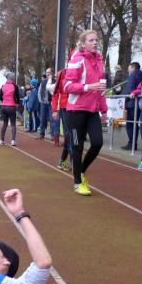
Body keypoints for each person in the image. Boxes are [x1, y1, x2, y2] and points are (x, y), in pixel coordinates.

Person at [63, 29, 108, 196]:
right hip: (76, 111)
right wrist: (88, 87)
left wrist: (104, 110)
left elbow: (101, 88)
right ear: (83, 44)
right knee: (77, 146)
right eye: (91, 40)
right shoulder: (77, 60)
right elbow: (67, 86)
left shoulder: (100, 61)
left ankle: (81, 170)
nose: (95, 42)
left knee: (97, 143)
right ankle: (77, 183)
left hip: (92, 110)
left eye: (96, 40)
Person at [50, 66, 72, 169]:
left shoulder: (81, 71)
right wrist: (54, 110)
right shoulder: (62, 73)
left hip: (78, 107)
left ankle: (63, 160)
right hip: (65, 107)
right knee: (69, 134)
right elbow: (55, 94)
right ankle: (72, 161)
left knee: (74, 135)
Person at [121, 62, 142, 150]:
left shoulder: (132, 76)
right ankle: (133, 143)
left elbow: (129, 90)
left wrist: (125, 102)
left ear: (132, 67)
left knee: (130, 124)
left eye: (129, 67)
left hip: (131, 103)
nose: (128, 70)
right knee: (135, 124)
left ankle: (132, 143)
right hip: (139, 103)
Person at [0, 72, 21, 146]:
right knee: (13, 124)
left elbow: (0, 97)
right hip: (11, 106)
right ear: (12, 78)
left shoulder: (3, 86)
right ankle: (13, 141)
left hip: (3, 106)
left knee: (4, 123)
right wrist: (17, 103)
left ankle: (1, 140)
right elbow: (18, 96)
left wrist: (4, 100)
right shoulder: (15, 86)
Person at [37, 68, 53, 140]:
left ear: (51, 73)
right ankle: (42, 134)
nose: (47, 73)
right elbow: (39, 92)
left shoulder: (54, 81)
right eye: (46, 72)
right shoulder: (43, 82)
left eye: (49, 72)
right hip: (43, 103)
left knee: (51, 119)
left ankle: (53, 135)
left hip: (51, 103)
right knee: (42, 118)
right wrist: (41, 100)